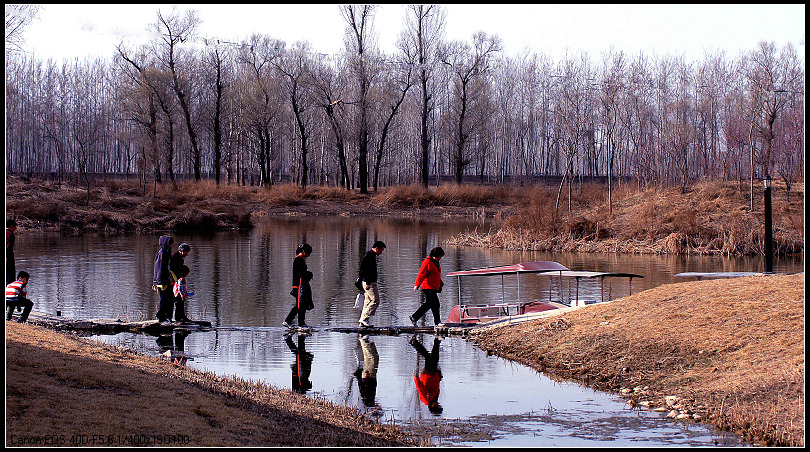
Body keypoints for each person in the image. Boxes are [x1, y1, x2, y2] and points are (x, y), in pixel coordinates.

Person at [410, 247, 445, 327]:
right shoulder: (427, 262)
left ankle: (414, 317)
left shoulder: (436, 262)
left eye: (440, 257)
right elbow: (421, 274)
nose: (439, 258)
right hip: (427, 287)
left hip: (433, 286)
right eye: (438, 257)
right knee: (435, 304)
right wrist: (417, 285)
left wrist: (440, 282)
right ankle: (437, 322)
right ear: (433, 255)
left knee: (430, 304)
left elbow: (436, 274)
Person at [283, 244, 314, 329]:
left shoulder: (300, 260)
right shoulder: (299, 260)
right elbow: (299, 274)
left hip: (299, 285)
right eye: (308, 253)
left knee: (299, 305)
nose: (309, 255)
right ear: (303, 251)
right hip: (300, 286)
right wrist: (308, 274)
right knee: (301, 305)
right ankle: (300, 324)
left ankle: (289, 321)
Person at [411, 334, 443, 415]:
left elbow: (420, 389)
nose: (439, 404)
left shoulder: (426, 400)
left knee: (431, 357)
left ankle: (436, 340)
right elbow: (436, 386)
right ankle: (415, 343)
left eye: (438, 406)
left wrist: (416, 378)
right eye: (439, 406)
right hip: (434, 374)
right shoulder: (435, 398)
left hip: (428, 374)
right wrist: (439, 377)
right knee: (431, 356)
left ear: (433, 406)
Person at [358, 241, 386, 328]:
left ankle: (362, 321)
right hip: (369, 283)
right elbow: (364, 270)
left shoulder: (371, 255)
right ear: (376, 248)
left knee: (368, 302)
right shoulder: (369, 256)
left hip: (368, 282)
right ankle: (364, 319)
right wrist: (368, 282)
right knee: (375, 300)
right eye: (380, 251)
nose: (381, 253)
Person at [153, 235, 176, 323]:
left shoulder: (166, 252)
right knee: (164, 299)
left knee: (170, 298)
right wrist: (159, 281)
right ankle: (162, 317)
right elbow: (159, 268)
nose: (171, 246)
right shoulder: (162, 253)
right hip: (162, 282)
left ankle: (167, 317)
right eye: (170, 244)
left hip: (167, 281)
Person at [6, 219, 17, 285]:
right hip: (8, 257)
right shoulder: (10, 234)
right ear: (11, 226)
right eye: (15, 227)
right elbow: (9, 247)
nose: (15, 229)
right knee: (10, 276)